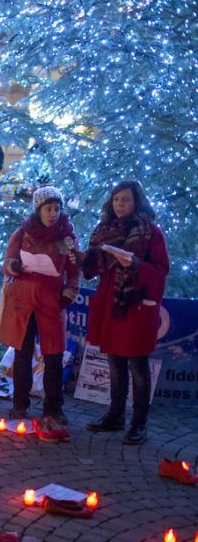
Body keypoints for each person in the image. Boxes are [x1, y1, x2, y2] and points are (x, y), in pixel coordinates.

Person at [79, 181, 169, 445]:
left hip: (135, 304)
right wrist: (84, 258)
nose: (120, 204)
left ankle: (139, 424)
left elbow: (161, 271)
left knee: (138, 365)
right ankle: (115, 416)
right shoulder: (103, 230)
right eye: (116, 199)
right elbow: (96, 267)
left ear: (136, 202)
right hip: (111, 303)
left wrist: (135, 265)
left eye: (125, 200)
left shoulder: (149, 232)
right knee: (115, 362)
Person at [0, 187, 79, 438]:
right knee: (22, 353)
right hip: (23, 301)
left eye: (57, 209)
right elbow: (7, 264)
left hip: (51, 302)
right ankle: (20, 403)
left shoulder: (66, 238)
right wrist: (17, 266)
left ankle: (53, 408)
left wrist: (69, 290)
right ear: (38, 210)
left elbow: (74, 271)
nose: (53, 214)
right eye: (48, 209)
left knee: (53, 356)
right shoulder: (22, 234)